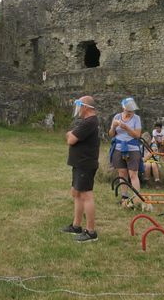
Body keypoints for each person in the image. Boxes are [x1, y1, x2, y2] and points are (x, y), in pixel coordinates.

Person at [61, 95, 99, 243]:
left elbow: (71, 138)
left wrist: (70, 134)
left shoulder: (89, 122)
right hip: (80, 163)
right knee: (76, 192)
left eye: (79, 105)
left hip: (85, 164)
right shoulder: (87, 122)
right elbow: (72, 136)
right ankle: (76, 225)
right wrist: (71, 134)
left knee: (86, 195)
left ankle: (90, 232)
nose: (78, 109)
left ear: (85, 107)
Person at [109, 97, 142, 199]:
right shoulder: (117, 117)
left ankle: (137, 198)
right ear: (123, 108)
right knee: (122, 173)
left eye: (132, 111)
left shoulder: (136, 118)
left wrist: (127, 128)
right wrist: (113, 127)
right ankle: (124, 197)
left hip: (132, 149)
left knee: (133, 174)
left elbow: (137, 135)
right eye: (128, 110)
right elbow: (111, 134)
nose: (131, 112)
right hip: (119, 148)